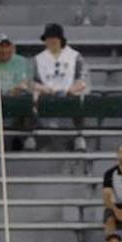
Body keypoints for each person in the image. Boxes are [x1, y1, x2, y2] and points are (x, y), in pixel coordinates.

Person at [32, 23, 90, 151]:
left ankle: (79, 137)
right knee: (31, 97)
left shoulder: (75, 56)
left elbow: (83, 77)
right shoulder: (38, 59)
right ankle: (32, 137)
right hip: (46, 96)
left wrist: (74, 88)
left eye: (55, 38)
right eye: (48, 38)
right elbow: (32, 81)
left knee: (79, 98)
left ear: (61, 39)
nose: (51, 41)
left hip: (69, 95)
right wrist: (43, 89)